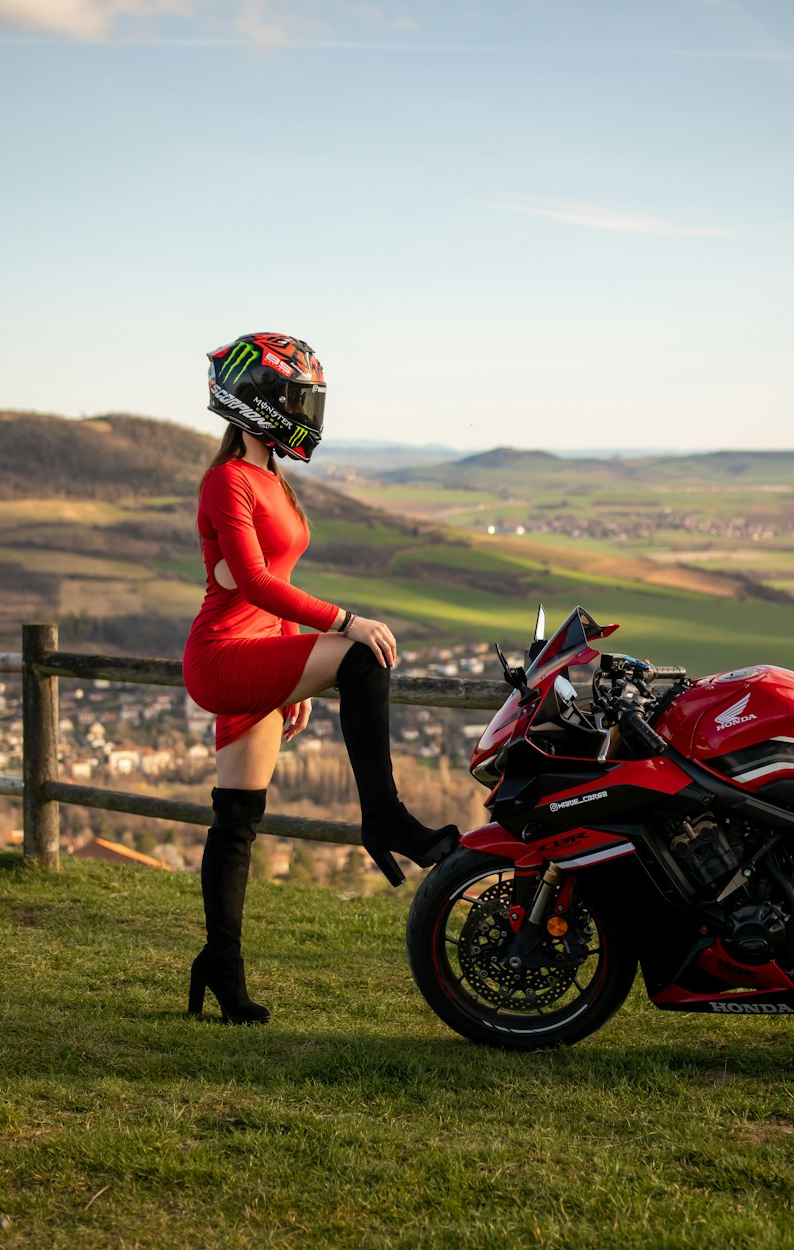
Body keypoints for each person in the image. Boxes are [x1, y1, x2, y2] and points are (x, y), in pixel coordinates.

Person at [182, 332, 458, 1024]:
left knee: (237, 819)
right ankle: (385, 816)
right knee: (365, 654)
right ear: (257, 401)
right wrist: (344, 620)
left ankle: (221, 967)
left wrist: (293, 681)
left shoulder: (270, 477)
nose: (308, 412)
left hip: (259, 654)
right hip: (222, 656)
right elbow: (248, 581)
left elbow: (270, 585)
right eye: (297, 398)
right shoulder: (227, 481)